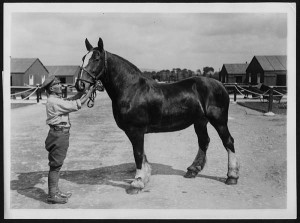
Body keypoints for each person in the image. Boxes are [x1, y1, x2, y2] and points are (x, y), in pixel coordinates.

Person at [41, 75, 94, 204]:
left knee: (56, 165)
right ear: (52, 88)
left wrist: (81, 92)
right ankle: (52, 195)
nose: (61, 86)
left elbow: (71, 100)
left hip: (58, 134)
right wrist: (90, 91)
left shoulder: (54, 99)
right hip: (59, 135)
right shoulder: (54, 101)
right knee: (55, 166)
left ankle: (55, 192)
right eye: (58, 84)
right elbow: (78, 104)